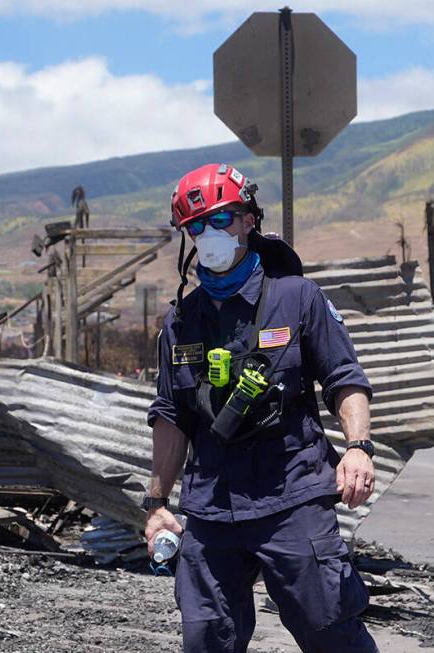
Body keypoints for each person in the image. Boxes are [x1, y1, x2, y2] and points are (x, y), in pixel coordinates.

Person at [144, 163, 378, 653]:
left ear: (248, 220)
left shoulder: (298, 298)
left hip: (291, 496)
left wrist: (358, 448)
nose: (211, 234)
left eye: (222, 219)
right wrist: (157, 504)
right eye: (197, 226)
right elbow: (171, 414)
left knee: (328, 629)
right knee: (208, 639)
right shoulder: (181, 321)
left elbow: (344, 379)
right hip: (211, 508)